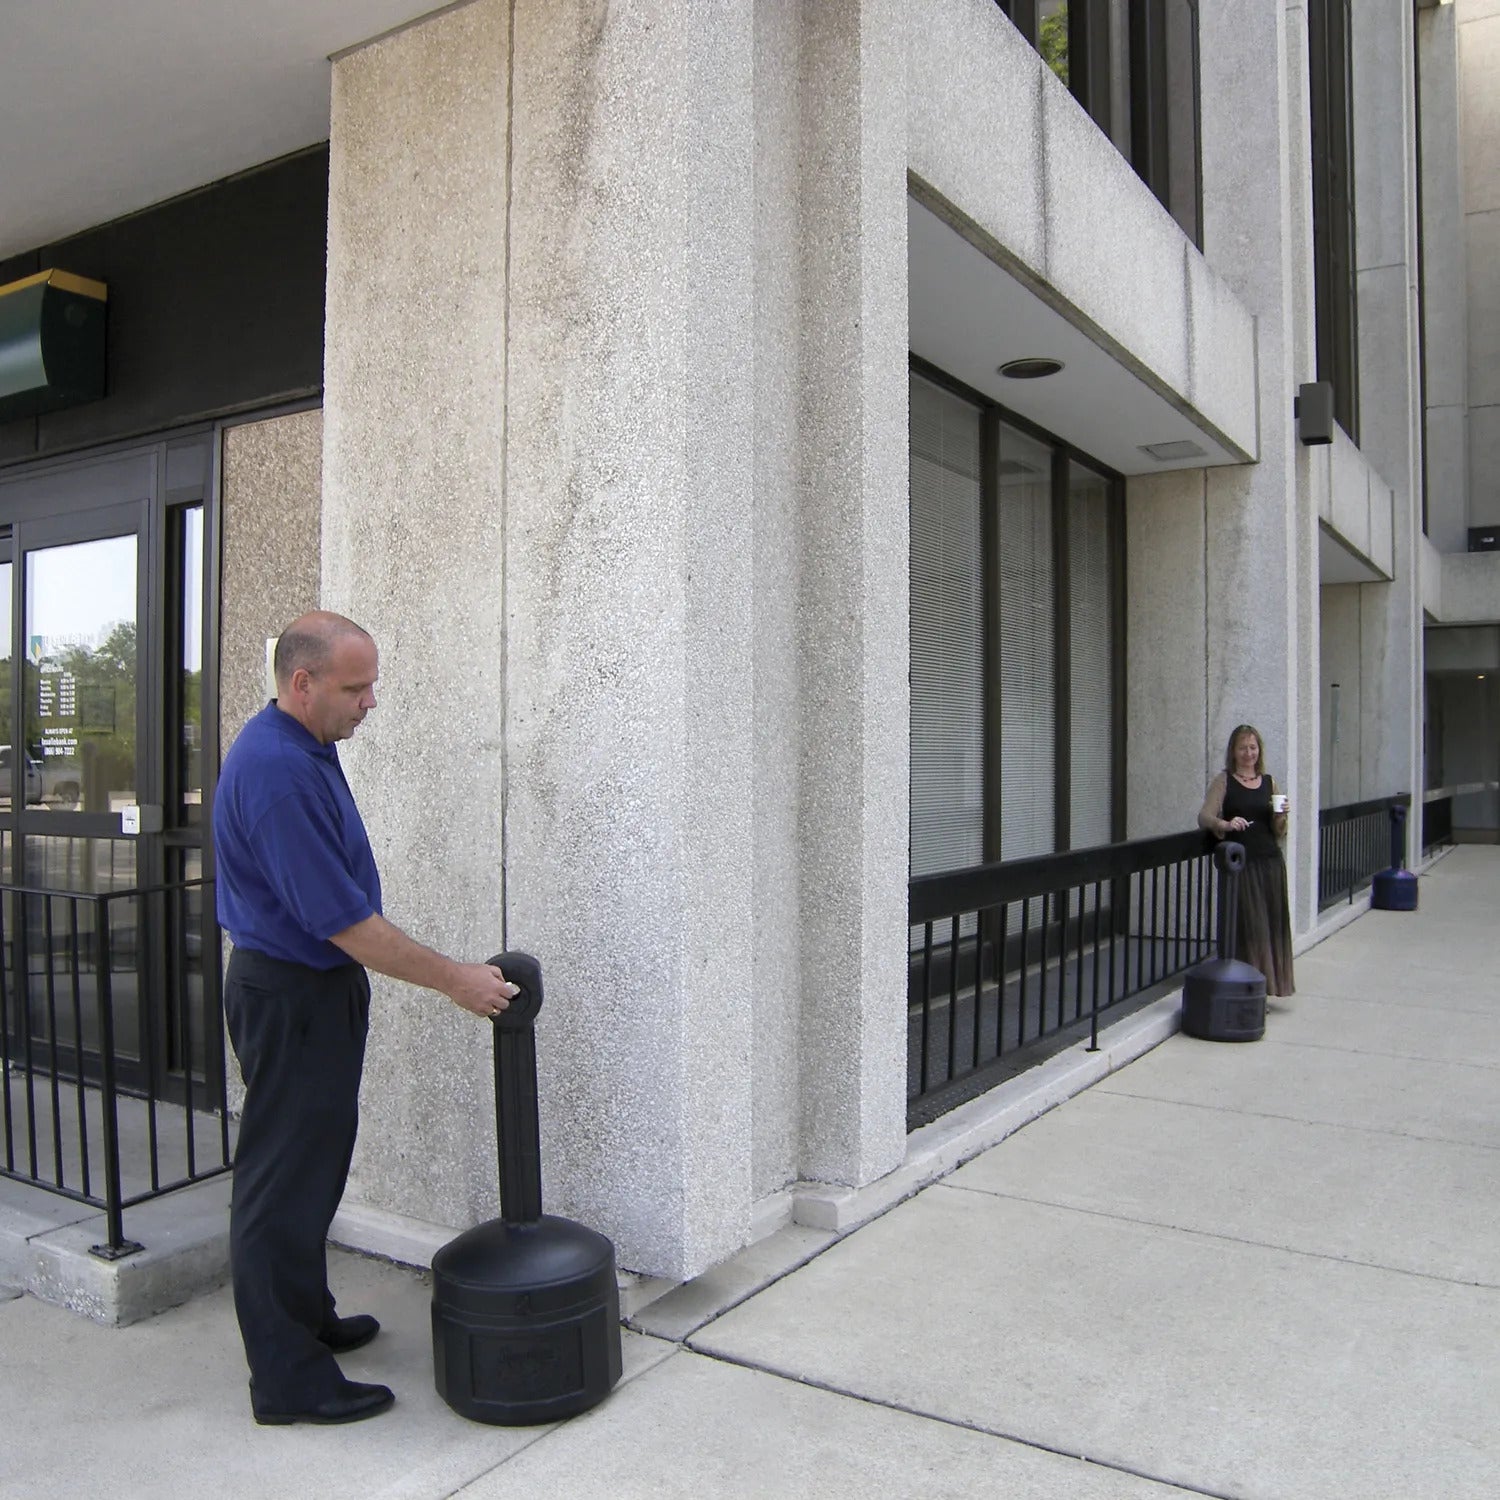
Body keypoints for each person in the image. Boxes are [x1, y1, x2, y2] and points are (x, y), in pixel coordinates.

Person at [213, 610, 518, 1427]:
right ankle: (287, 1379)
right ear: (301, 682)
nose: (370, 701)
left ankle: (306, 1317)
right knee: (280, 1182)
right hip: (291, 997)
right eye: (355, 687)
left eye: (372, 683)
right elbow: (341, 922)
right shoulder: (277, 772)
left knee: (311, 1166)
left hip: (312, 993)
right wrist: (455, 979)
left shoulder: (307, 747)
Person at [1197, 722, 1295, 996]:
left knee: (1271, 927)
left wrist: (1281, 815)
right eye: (1243, 748)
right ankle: (1247, 988)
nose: (1248, 753)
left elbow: (1278, 830)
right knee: (1249, 929)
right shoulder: (1224, 781)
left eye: (1253, 747)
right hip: (1241, 866)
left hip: (1270, 863)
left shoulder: (1269, 782)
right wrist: (1226, 825)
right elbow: (1204, 817)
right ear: (1233, 751)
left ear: (1259, 750)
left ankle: (1268, 986)